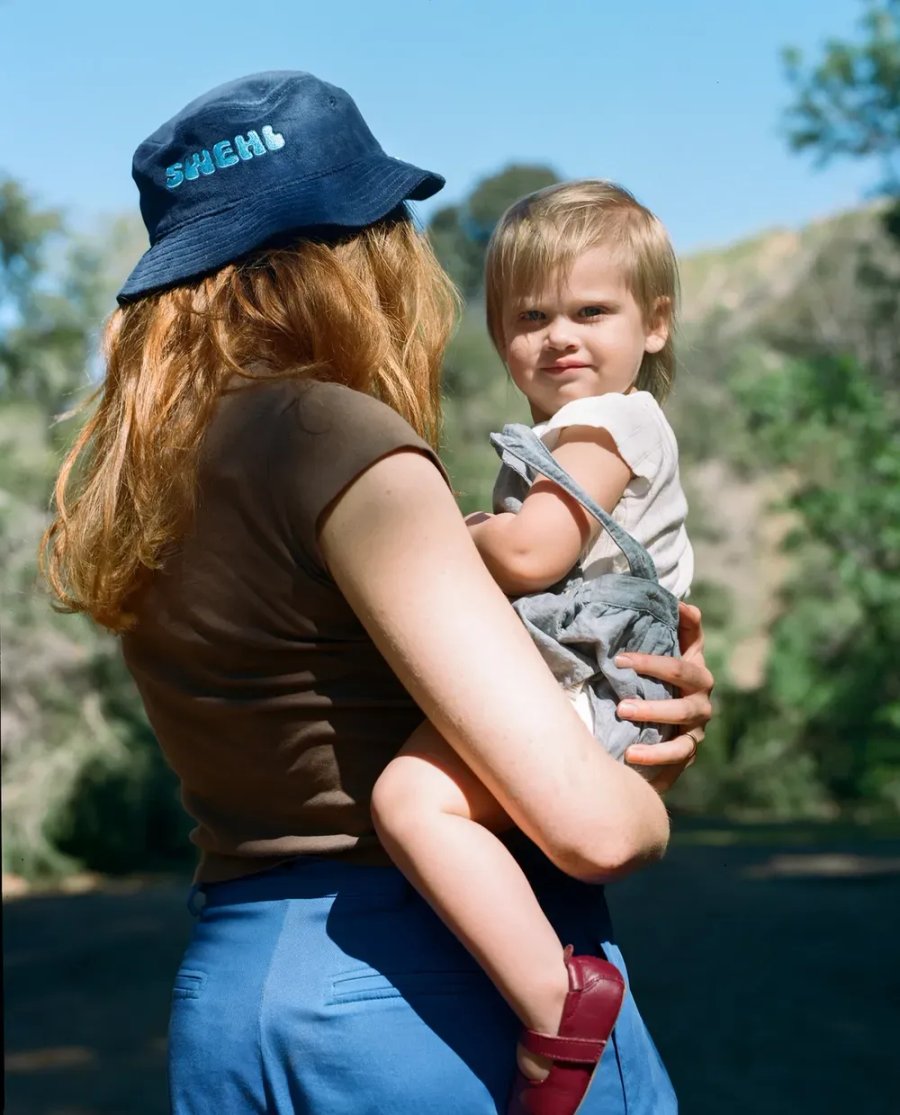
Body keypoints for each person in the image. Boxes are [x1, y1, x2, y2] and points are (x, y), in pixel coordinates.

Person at [40, 71, 713, 1115]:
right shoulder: (338, 439)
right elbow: (595, 829)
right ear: (357, 250)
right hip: (420, 983)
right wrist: (643, 773)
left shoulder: (150, 476)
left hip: (233, 987)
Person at [370, 180, 694, 1115]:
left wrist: (450, 526)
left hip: (588, 664)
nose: (560, 335)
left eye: (593, 310)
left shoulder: (615, 420)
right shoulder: (571, 428)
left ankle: (559, 1007)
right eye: (529, 315)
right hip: (586, 654)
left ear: (656, 324)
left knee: (412, 796)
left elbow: (533, 552)